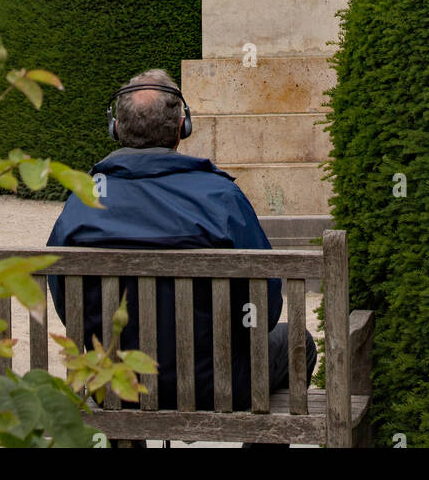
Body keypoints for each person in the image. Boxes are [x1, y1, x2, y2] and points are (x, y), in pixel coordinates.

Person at [46, 69, 317, 437]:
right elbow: (264, 310)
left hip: (116, 384)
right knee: (300, 342)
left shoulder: (82, 200)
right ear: (181, 127)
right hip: (219, 383)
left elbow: (69, 309)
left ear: (116, 128)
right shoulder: (220, 197)